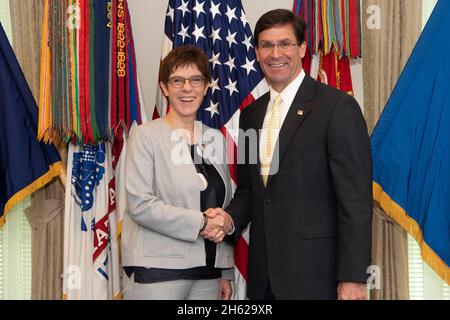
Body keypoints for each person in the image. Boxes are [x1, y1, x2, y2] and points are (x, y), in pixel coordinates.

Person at [203, 9, 372, 300]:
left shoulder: (336, 107)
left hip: (318, 278)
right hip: (263, 279)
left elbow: (355, 201)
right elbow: (249, 192)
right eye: (266, 45)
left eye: (284, 44)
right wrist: (228, 219)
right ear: (256, 52)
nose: (275, 53)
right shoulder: (250, 116)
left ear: (302, 48)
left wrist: (353, 278)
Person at [121, 45, 234, 300]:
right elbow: (141, 205)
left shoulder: (215, 139)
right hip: (158, 270)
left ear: (206, 87)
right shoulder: (145, 135)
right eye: (177, 80)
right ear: (164, 87)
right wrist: (201, 222)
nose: (187, 88)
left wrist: (225, 270)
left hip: (208, 272)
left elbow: (223, 203)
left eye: (196, 80)